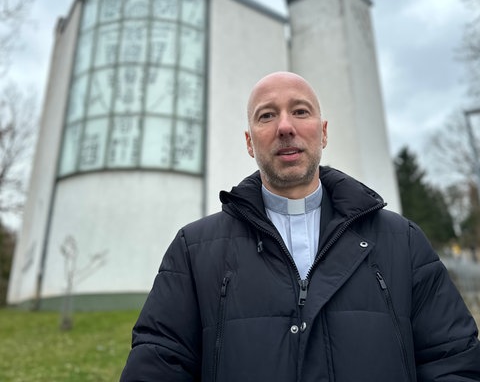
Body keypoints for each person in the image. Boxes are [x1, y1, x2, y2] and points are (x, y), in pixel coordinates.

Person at [120, 71, 480, 381]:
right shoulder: (193, 250)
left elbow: (453, 361)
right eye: (266, 116)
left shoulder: (402, 241)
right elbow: (159, 362)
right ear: (249, 142)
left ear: (323, 133)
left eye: (300, 111)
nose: (285, 127)